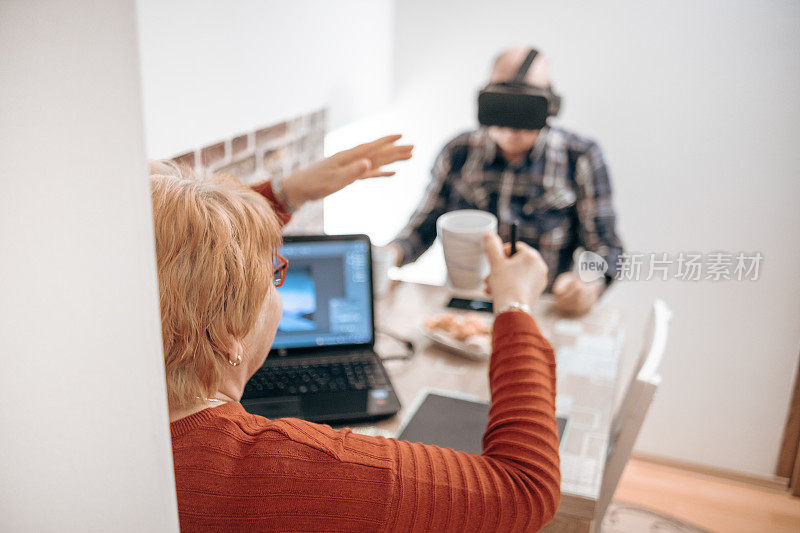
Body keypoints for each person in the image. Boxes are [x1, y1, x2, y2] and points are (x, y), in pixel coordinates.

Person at [151, 134, 561, 531]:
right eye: (274, 275)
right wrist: (516, 306)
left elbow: (170, 248)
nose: (278, 282)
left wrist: (285, 192)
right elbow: (523, 489)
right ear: (227, 334)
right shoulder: (301, 475)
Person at [388, 46, 624, 315]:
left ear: (551, 105)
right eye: (503, 100)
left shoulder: (580, 157)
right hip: (464, 310)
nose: (513, 118)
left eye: (527, 103)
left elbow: (606, 247)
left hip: (537, 311)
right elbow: (423, 227)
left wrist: (589, 285)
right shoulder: (458, 152)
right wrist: (387, 256)